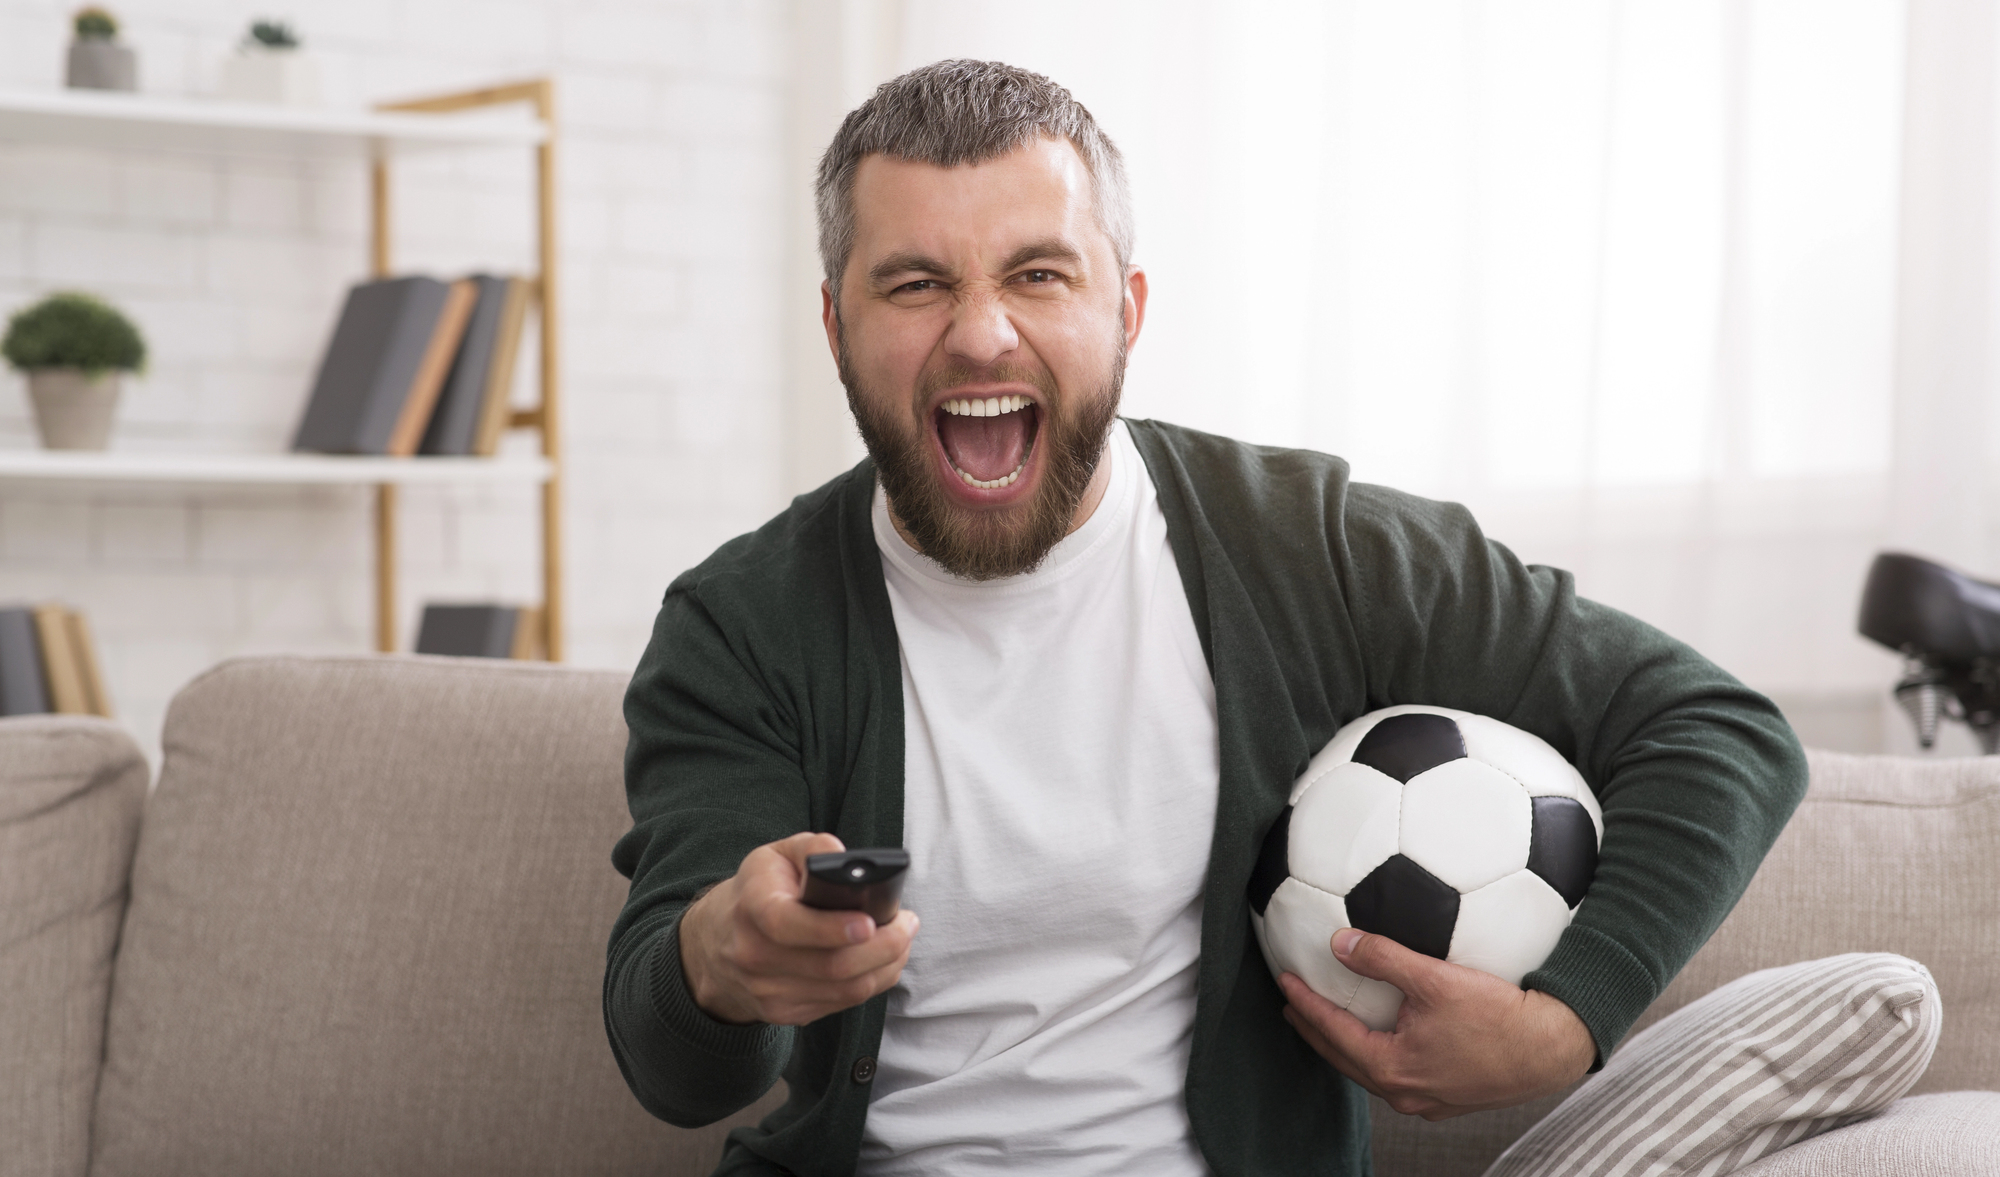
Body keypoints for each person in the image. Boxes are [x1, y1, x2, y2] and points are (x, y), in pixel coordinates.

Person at [604, 59, 1806, 1177]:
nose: (978, 332)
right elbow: (676, 1072)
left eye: (1037, 273)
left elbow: (1712, 728)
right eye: (915, 284)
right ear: (835, 326)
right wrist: (718, 966)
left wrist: (1566, 1021)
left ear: (1125, 307)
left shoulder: (1310, 543)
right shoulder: (740, 624)